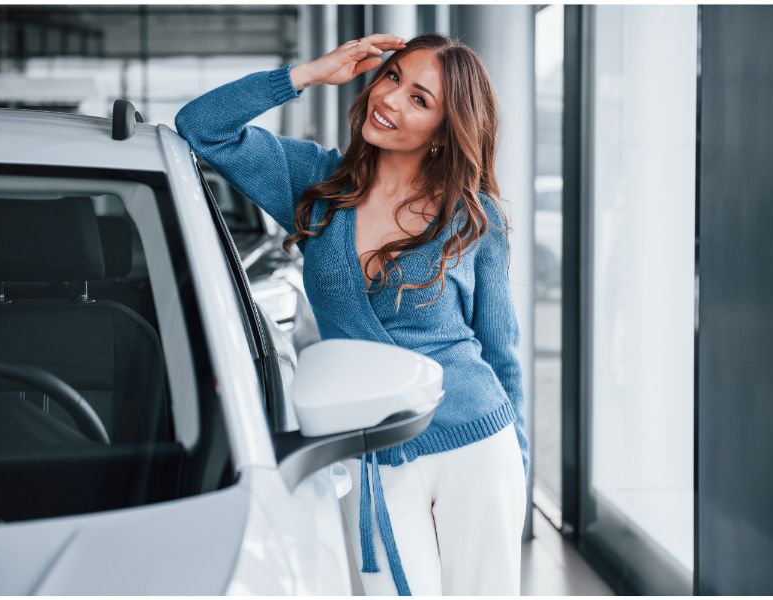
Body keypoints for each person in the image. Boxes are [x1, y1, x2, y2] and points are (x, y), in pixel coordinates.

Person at [175, 32, 530, 596]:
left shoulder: (473, 218)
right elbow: (201, 126)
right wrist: (310, 73)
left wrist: (520, 457)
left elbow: (500, 348)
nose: (389, 100)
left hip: (476, 444)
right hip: (370, 452)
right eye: (392, 78)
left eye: (420, 99)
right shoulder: (317, 186)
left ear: (445, 130)